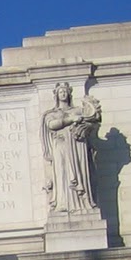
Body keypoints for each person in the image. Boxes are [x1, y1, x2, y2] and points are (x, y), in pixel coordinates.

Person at [41, 81, 102, 214]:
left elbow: (91, 122)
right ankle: (63, 203)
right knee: (62, 173)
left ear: (69, 94)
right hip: (61, 145)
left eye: (65, 92)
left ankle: (82, 203)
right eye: (60, 92)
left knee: (79, 172)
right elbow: (52, 125)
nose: (63, 94)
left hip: (77, 144)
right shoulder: (51, 113)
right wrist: (70, 120)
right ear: (56, 96)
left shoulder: (78, 110)